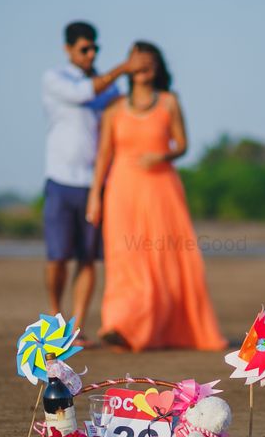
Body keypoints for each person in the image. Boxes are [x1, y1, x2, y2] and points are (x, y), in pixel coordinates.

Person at [86, 41, 227, 352]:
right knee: (125, 259)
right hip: (122, 190)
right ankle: (120, 325)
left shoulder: (169, 103)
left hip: (162, 189)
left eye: (149, 62)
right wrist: (95, 195)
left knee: (164, 260)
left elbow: (183, 144)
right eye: (137, 62)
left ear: (158, 68)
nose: (143, 67)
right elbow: (103, 155)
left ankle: (155, 329)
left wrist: (162, 156)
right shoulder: (115, 109)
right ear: (130, 67)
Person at [41, 21, 146, 343]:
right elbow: (83, 92)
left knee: (88, 256)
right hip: (60, 178)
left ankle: (76, 327)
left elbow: (124, 113)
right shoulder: (55, 78)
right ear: (68, 49)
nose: (90, 54)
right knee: (58, 256)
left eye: (94, 49)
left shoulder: (109, 88)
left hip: (96, 183)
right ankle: (54, 318)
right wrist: (124, 68)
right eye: (84, 49)